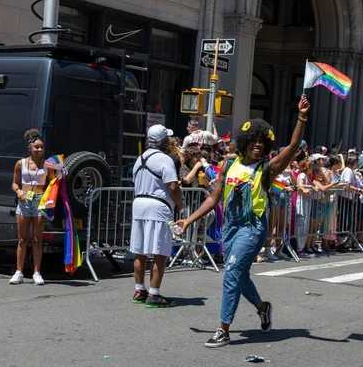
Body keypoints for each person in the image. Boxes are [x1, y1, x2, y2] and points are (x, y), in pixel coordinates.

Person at [176, 94, 311, 347]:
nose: (258, 145)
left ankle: (223, 329)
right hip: (230, 228)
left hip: (253, 227)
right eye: (254, 141)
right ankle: (262, 307)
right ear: (246, 142)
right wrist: (188, 220)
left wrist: (301, 117)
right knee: (239, 275)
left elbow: (292, 148)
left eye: (262, 142)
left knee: (232, 273)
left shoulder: (267, 169)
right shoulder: (229, 165)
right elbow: (214, 198)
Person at [130, 124, 183, 308]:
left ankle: (139, 290)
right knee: (160, 252)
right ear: (163, 141)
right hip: (158, 207)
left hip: (139, 205)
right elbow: (173, 186)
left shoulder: (140, 159)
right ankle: (154, 294)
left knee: (141, 251)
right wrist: (179, 203)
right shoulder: (165, 159)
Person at [9, 129, 54, 285]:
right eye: (36, 147)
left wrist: (61, 173)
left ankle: (36, 272)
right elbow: (14, 183)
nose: (39, 150)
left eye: (41, 147)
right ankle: (19, 272)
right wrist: (19, 191)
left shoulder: (48, 165)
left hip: (40, 200)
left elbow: (53, 183)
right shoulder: (21, 163)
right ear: (30, 148)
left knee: (37, 239)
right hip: (24, 201)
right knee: (22, 239)